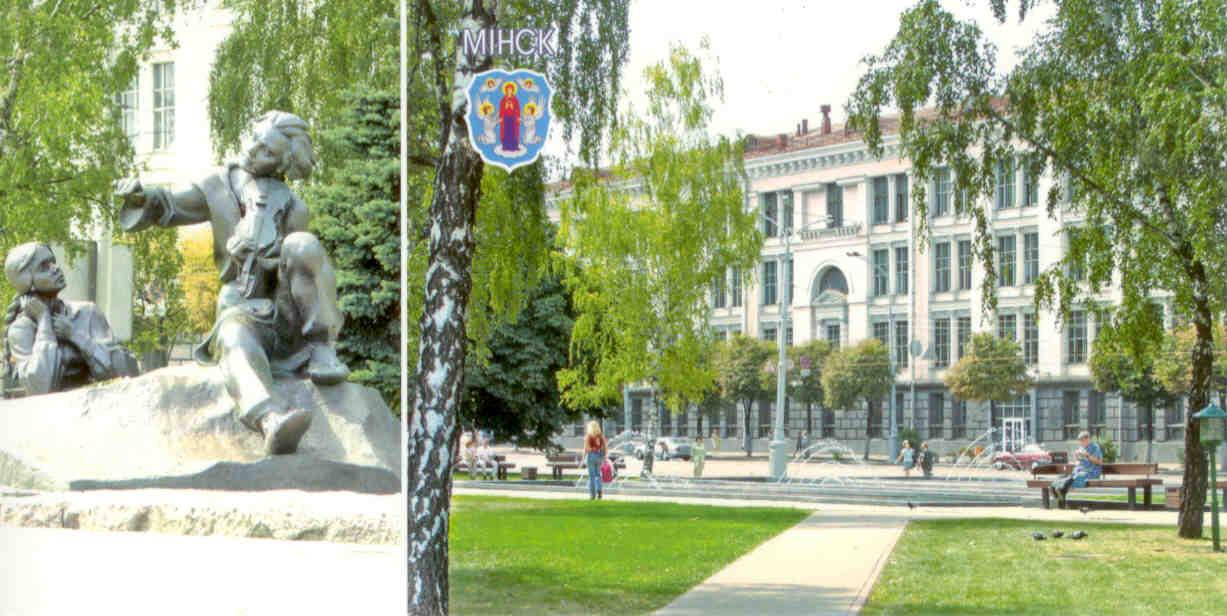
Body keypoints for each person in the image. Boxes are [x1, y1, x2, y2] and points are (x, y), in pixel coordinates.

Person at [116, 111, 349, 455]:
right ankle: (270, 422)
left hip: (283, 315)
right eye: (255, 138)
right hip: (240, 307)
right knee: (233, 339)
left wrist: (271, 259)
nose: (254, 150)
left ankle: (321, 349)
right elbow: (171, 204)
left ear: (284, 162)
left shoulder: (293, 204)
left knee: (302, 243)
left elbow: (298, 271)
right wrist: (140, 196)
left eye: (268, 151)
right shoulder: (217, 185)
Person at [4, 243, 139, 395]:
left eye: (52, 262)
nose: (55, 268)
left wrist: (76, 336)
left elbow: (126, 372)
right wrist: (44, 322)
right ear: (28, 283)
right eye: (44, 267)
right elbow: (41, 387)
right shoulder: (21, 330)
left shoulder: (87, 313)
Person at [1051, 431, 1103, 507]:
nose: (1080, 442)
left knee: (1078, 476)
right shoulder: (1082, 448)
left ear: (1087, 439)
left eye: (1082, 440)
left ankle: (1061, 491)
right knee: (1062, 477)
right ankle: (1058, 489)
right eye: (1080, 440)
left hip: (1092, 472)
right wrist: (1077, 456)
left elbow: (1099, 462)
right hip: (1080, 470)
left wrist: (1087, 455)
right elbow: (1078, 462)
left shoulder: (1095, 447)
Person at [584, 421, 607, 500]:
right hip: (599, 456)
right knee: (598, 475)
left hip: (591, 456)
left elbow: (587, 448)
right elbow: (604, 447)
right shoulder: (601, 436)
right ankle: (599, 492)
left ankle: (592, 495)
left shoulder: (588, 436)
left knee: (592, 476)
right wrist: (604, 457)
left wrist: (583, 457)